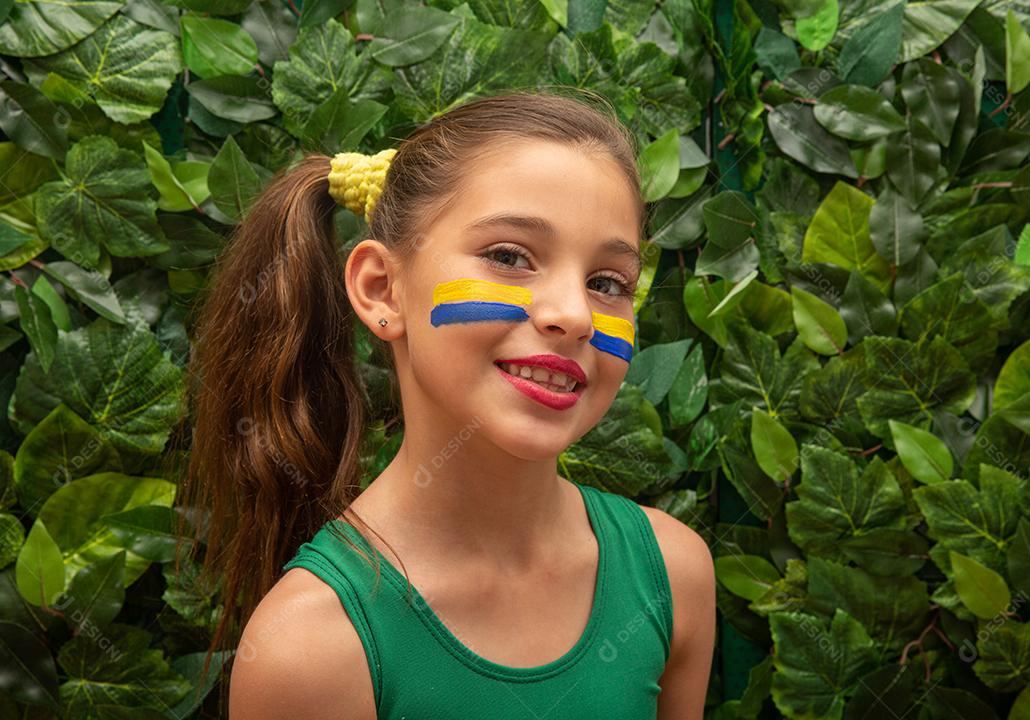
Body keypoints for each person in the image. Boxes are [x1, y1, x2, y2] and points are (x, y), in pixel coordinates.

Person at [179, 89, 716, 720]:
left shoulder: (674, 577)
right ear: (382, 290)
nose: (573, 314)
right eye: (509, 257)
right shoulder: (311, 647)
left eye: (607, 283)